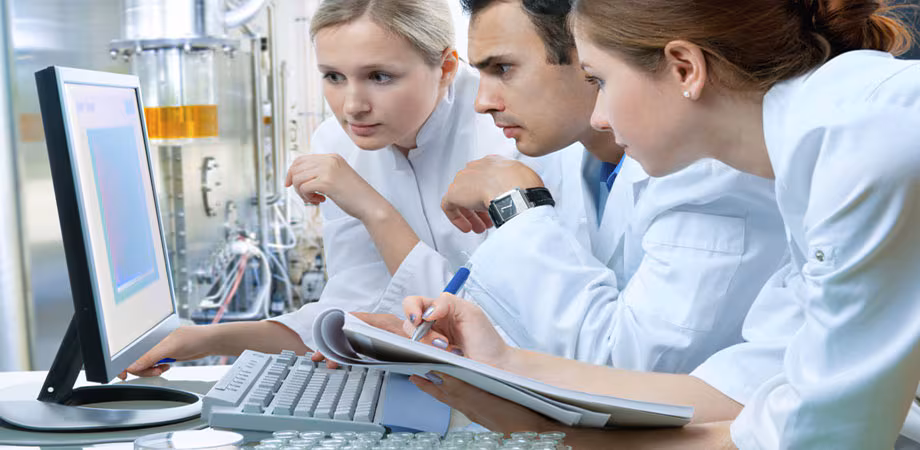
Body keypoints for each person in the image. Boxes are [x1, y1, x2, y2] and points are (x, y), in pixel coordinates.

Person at [402, 0, 920, 448]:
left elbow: (826, 434)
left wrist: (555, 435)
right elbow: (744, 390)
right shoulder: (814, 155)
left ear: (684, 68)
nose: (599, 117)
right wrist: (504, 361)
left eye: (600, 81)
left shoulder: (857, 143)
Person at [119, 0, 521, 377]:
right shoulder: (337, 141)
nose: (352, 106)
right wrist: (202, 340)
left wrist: (372, 209)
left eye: (379, 76)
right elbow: (348, 313)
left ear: (446, 67)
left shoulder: (508, 135)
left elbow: (487, 334)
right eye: (334, 77)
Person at [440, 0, 786, 373]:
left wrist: (517, 208)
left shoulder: (707, 168)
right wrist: (453, 339)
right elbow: (530, 328)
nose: (482, 103)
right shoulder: (552, 154)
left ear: (586, 48)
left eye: (503, 68)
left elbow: (633, 367)